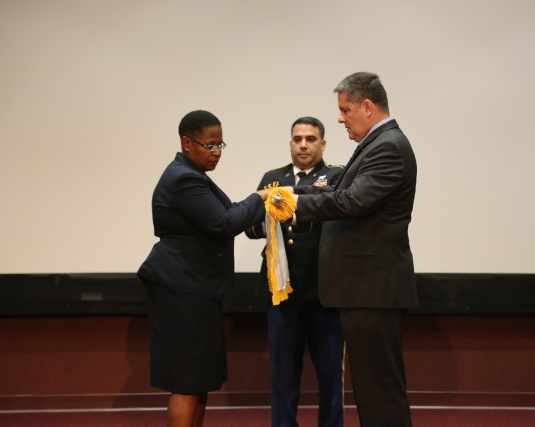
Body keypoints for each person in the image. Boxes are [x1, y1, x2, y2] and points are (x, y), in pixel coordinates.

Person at [289, 72, 418, 427]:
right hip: (365, 289)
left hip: (373, 288)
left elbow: (352, 202)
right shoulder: (378, 144)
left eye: (345, 110)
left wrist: (292, 204)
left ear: (367, 106)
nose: (340, 118)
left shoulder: (388, 146)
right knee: (372, 392)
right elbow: (338, 195)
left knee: (380, 394)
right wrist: (293, 195)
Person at [137, 110, 269, 427]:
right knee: (187, 381)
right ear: (186, 142)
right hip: (182, 289)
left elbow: (229, 216)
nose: (216, 153)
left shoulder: (194, 176)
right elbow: (224, 223)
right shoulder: (183, 178)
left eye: (220, 145)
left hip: (196, 289)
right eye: (209, 145)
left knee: (198, 380)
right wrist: (260, 197)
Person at [246, 117, 345, 427]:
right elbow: (251, 227)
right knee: (283, 377)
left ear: (323, 144)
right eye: (298, 138)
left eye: (311, 139)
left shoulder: (337, 176)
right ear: (290, 143)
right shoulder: (272, 178)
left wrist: (290, 195)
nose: (303, 144)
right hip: (282, 292)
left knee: (331, 378)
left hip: (324, 292)